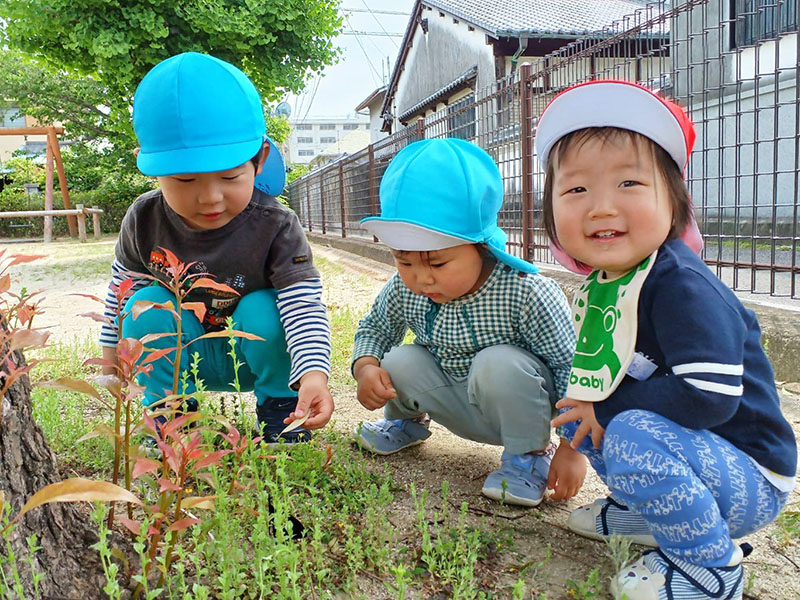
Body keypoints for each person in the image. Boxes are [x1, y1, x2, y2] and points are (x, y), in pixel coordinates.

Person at [537, 80, 797, 599]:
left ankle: (712, 568)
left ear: (675, 204)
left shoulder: (682, 286)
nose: (601, 207)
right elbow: (592, 377)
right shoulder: (608, 285)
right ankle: (643, 512)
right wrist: (572, 444)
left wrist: (607, 414)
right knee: (583, 402)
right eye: (576, 189)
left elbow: (709, 395)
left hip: (749, 475)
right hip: (692, 453)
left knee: (624, 423)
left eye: (629, 183)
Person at [99, 52, 333, 444]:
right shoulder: (144, 219)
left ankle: (280, 410)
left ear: (259, 161)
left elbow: (304, 304)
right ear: (150, 167)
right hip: (178, 358)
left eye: (229, 175)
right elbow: (118, 293)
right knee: (143, 306)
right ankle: (170, 416)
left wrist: (313, 374)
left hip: (249, 354)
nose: (209, 198)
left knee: (267, 306)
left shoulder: (276, 225)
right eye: (185, 179)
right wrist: (110, 365)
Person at [351, 137, 585, 507]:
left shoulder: (526, 292)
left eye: (437, 263)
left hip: (515, 409)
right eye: (404, 261)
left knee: (498, 363)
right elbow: (375, 327)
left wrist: (572, 448)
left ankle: (528, 458)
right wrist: (365, 367)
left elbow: (569, 369)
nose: (421, 278)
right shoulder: (405, 287)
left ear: (481, 247)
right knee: (397, 359)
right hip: (452, 400)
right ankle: (405, 423)